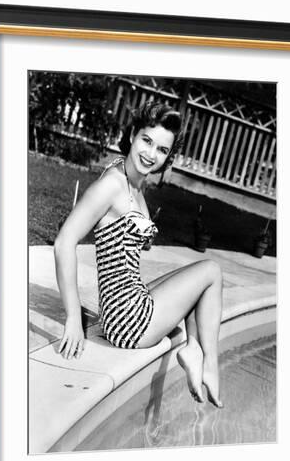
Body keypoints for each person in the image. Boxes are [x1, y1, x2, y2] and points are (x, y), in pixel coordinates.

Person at [54, 102, 223, 408]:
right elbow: (64, 242)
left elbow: (119, 236)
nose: (151, 154)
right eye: (146, 141)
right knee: (210, 271)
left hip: (127, 305)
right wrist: (72, 318)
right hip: (130, 322)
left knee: (196, 284)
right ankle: (208, 361)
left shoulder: (131, 180)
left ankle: (193, 347)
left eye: (161, 149)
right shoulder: (112, 185)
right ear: (132, 134)